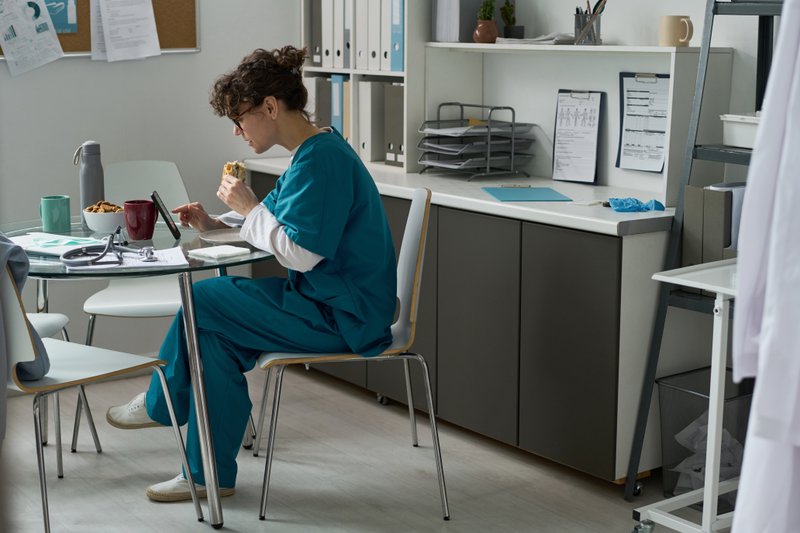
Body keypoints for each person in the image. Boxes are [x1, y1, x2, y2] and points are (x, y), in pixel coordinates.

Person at [106, 46, 397, 502]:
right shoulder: (313, 152)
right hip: (324, 303)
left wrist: (250, 206)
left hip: (344, 315)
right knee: (213, 340)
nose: (238, 131)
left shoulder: (322, 160)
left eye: (240, 119)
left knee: (204, 299)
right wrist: (218, 223)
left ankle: (163, 402)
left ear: (270, 106)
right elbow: (279, 224)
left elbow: (300, 254)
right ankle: (208, 477)